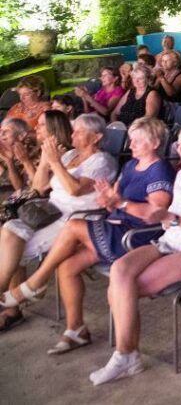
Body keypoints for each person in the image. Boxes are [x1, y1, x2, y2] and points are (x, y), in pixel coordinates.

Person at [1, 118, 174, 355]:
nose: (130, 144)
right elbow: (113, 201)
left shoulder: (159, 170)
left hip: (137, 236)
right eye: (131, 139)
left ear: (154, 143)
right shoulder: (130, 166)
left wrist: (118, 203)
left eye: (136, 140)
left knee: (73, 226)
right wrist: (108, 199)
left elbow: (156, 213)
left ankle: (35, 283)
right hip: (116, 224)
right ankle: (76, 330)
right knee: (67, 266)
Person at [92, 124, 181, 384]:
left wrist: (170, 217)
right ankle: (127, 355)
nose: (179, 148)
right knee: (119, 271)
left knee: (121, 289)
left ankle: (125, 354)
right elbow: (171, 221)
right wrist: (165, 218)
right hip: (170, 240)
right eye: (178, 143)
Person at [0, 113, 116, 332]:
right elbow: (39, 187)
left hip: (76, 217)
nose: (73, 134)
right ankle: (11, 298)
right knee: (8, 231)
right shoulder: (70, 154)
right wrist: (45, 160)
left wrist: (55, 162)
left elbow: (74, 189)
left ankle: (14, 296)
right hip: (49, 211)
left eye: (80, 131)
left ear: (96, 137)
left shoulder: (102, 161)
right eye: (74, 130)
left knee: (14, 247)